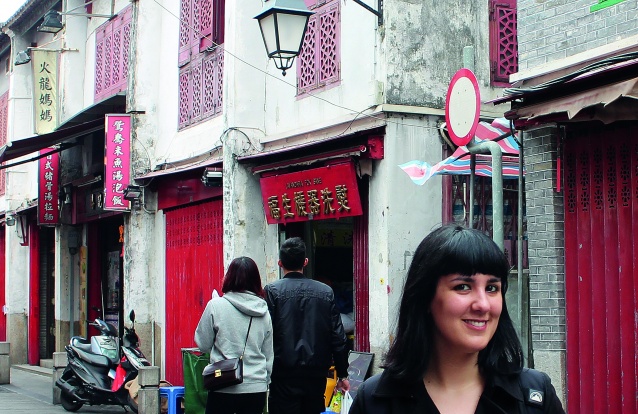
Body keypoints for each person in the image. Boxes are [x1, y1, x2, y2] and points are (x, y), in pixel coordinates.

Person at [350, 224, 565, 414]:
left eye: (492, 288)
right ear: (425, 297)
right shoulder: (375, 401)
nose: (483, 305)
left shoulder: (534, 396)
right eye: (463, 287)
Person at [265, 237, 350, 414]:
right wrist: (342, 373)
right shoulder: (325, 292)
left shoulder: (272, 291)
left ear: (280, 263)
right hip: (315, 375)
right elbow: (338, 337)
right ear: (305, 262)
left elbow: (266, 334)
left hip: (282, 374)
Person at [195, 256, 273, 414]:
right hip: (256, 387)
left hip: (223, 383)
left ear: (229, 277)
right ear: (256, 280)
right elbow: (268, 354)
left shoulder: (215, 305)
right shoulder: (264, 312)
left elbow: (202, 344)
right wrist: (264, 381)